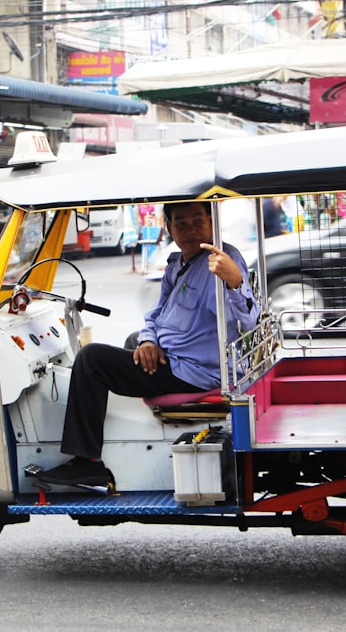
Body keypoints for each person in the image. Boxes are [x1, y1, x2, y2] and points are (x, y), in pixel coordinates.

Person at [39, 201, 260, 487]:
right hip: (174, 356)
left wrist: (234, 280)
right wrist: (148, 340)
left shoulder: (222, 260)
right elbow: (157, 313)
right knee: (134, 339)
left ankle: (86, 462)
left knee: (91, 359)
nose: (191, 229)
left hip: (193, 371)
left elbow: (249, 318)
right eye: (181, 223)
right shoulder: (177, 263)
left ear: (212, 222)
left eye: (198, 221)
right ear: (169, 227)